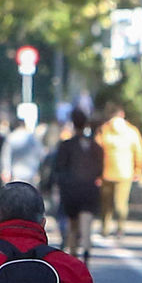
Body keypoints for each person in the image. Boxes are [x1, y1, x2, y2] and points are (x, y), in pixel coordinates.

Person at [52, 109, 104, 263]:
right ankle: (87, 252)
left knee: (72, 225)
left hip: (71, 190)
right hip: (90, 190)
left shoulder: (66, 146)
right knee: (87, 222)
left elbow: (59, 168)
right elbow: (100, 169)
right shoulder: (96, 147)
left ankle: (73, 257)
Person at [97, 104, 142, 240]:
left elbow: (97, 150)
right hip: (125, 172)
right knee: (121, 203)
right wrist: (137, 169)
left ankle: (105, 228)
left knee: (106, 204)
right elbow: (139, 151)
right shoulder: (132, 131)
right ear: (122, 115)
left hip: (106, 171)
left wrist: (97, 171)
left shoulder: (104, 130)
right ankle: (120, 228)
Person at [0, 119, 43, 184]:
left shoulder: (11, 137)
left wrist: (6, 171)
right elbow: (40, 154)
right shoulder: (32, 137)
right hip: (31, 172)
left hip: (16, 174)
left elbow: (6, 156)